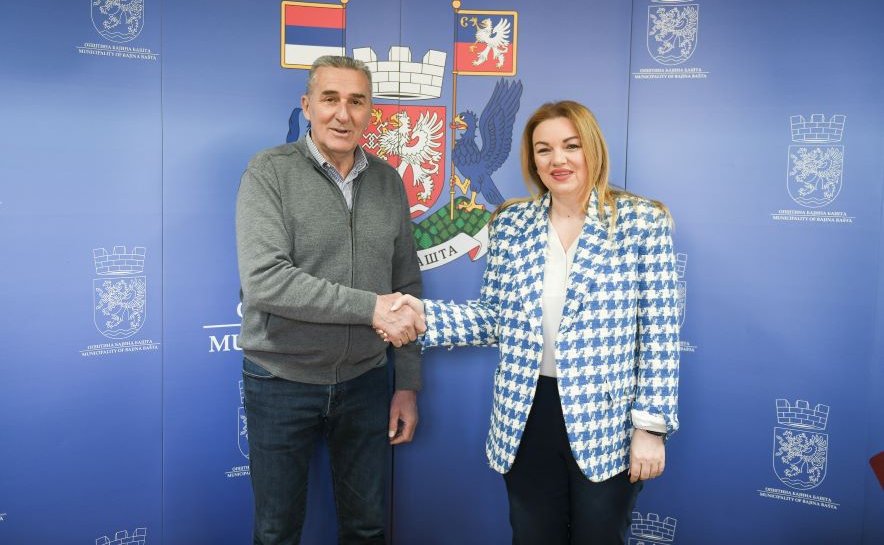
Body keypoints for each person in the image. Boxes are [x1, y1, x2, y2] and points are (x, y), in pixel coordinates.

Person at [383, 101, 680, 544]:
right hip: (525, 414)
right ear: (532, 159)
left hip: (607, 422)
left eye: (571, 146)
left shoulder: (642, 222)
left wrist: (651, 428)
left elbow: (660, 335)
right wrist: (421, 316)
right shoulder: (511, 224)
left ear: (593, 148)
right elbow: (492, 318)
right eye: (544, 150)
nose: (558, 159)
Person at [235, 55, 425, 545]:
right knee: (276, 531)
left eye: (356, 101)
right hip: (281, 380)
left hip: (366, 381)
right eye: (330, 99)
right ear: (307, 106)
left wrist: (406, 382)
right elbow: (265, 281)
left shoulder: (388, 181)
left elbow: (406, 284)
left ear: (370, 111)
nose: (343, 114)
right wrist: (370, 308)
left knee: (368, 528)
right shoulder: (268, 172)